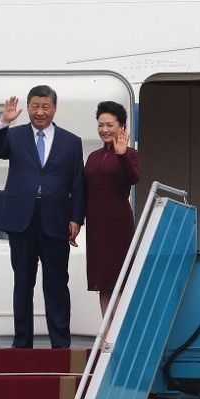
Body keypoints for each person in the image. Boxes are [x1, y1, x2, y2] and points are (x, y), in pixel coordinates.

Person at [0, 85, 84, 348]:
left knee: (57, 283)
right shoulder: (14, 136)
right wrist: (4, 122)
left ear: (54, 108)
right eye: (35, 106)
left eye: (45, 106)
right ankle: (22, 342)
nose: (40, 112)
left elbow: (78, 183)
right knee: (23, 281)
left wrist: (76, 218)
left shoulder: (71, 142)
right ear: (28, 107)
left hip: (55, 219)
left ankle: (61, 343)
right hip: (21, 219)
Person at [84, 100, 141, 315]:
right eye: (101, 125)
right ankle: (106, 334)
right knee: (103, 281)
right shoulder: (93, 156)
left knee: (120, 278)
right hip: (96, 224)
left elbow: (133, 178)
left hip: (118, 223)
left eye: (109, 125)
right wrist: (77, 220)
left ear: (122, 127)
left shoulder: (130, 154)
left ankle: (120, 334)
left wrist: (122, 154)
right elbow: (84, 189)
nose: (104, 130)